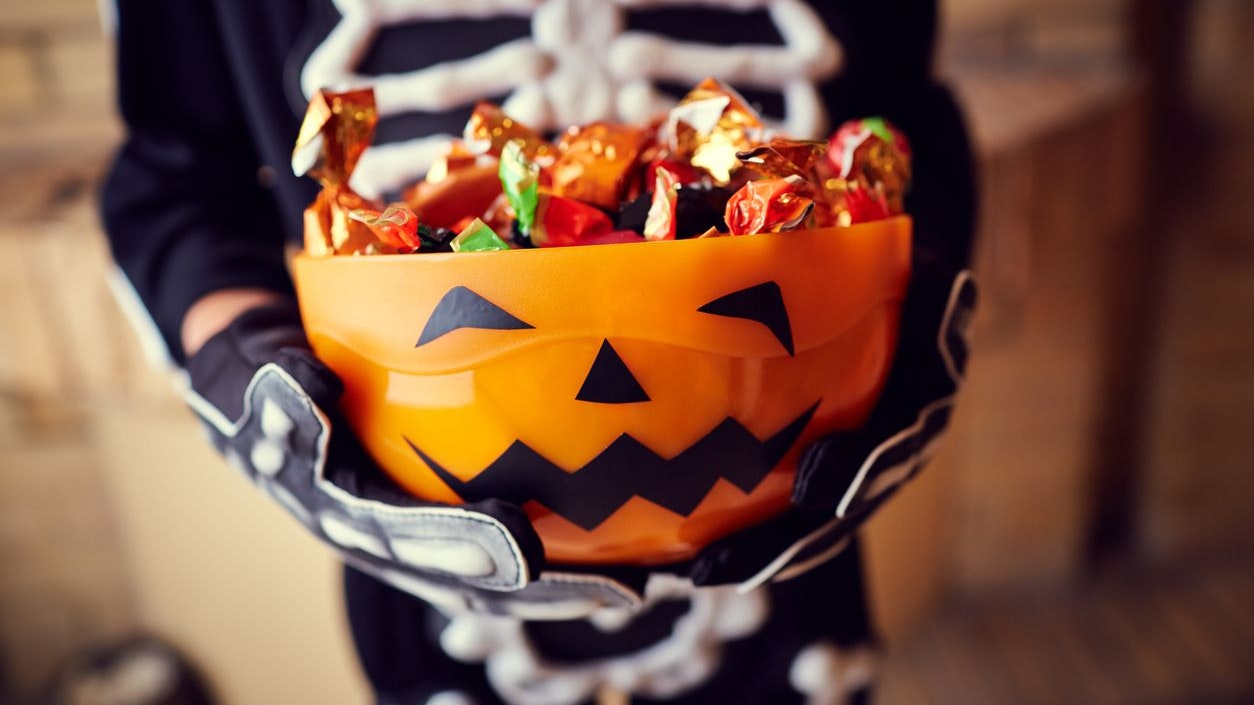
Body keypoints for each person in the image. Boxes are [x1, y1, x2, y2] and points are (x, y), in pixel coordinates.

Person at [102, 1, 976, 703]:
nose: (613, 388)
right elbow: (176, 180)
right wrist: (248, 372)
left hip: (790, 520)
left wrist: (909, 316)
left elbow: (907, 111)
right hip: (428, 566)